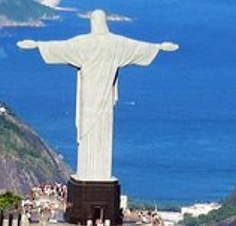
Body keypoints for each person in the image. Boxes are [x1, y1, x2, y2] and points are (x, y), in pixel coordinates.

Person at [18, 10, 178, 181]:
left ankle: (90, 173)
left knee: (88, 130)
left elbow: (60, 47)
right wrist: (159, 47)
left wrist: (37, 44)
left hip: (89, 97)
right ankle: (96, 174)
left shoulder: (84, 43)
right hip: (104, 98)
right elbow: (139, 47)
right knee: (101, 130)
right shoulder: (117, 44)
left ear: (92, 22)